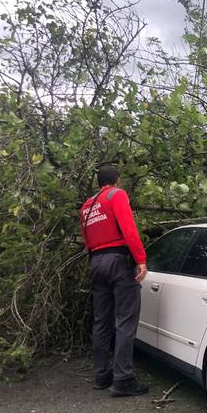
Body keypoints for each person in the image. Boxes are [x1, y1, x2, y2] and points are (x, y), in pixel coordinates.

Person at [80, 165, 149, 396]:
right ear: (117, 180)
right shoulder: (116, 195)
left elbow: (86, 239)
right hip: (117, 261)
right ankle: (123, 379)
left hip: (96, 262)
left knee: (101, 321)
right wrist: (140, 259)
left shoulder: (88, 205)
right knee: (125, 321)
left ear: (99, 182)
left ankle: (102, 375)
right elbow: (129, 229)